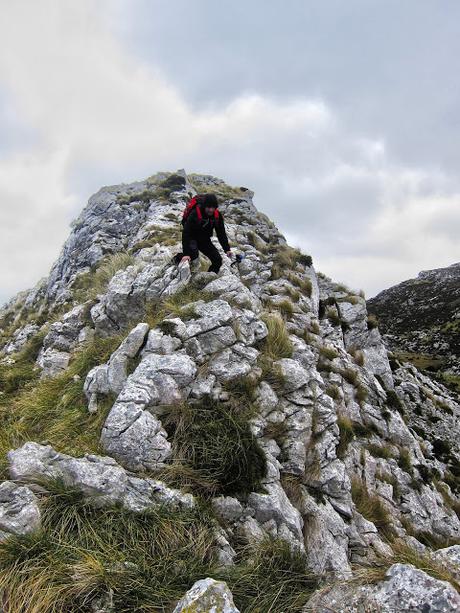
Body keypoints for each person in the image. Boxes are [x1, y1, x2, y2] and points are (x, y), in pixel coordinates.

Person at [174, 193, 232, 273]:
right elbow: (186, 232)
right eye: (208, 207)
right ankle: (177, 258)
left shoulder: (217, 216)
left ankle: (208, 278)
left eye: (213, 207)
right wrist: (186, 253)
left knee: (217, 260)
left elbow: (221, 233)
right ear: (204, 206)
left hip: (204, 239)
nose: (211, 210)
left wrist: (227, 249)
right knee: (193, 257)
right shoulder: (195, 213)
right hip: (192, 237)